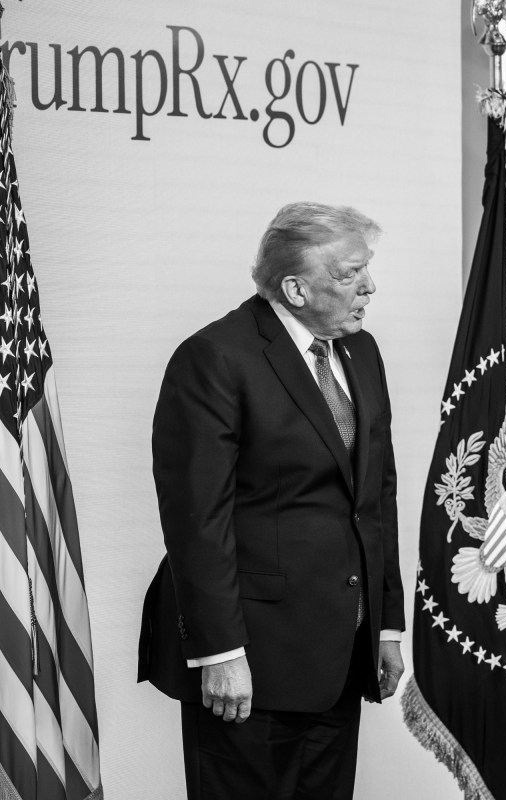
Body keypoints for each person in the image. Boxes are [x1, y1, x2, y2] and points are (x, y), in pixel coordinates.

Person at [137, 202, 406, 799]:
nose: (369, 288)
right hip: (249, 660)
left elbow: (375, 498)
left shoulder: (361, 353)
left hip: (338, 655)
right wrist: (220, 652)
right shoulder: (215, 357)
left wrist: (386, 624)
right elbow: (196, 520)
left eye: (367, 271)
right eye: (348, 275)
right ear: (295, 288)